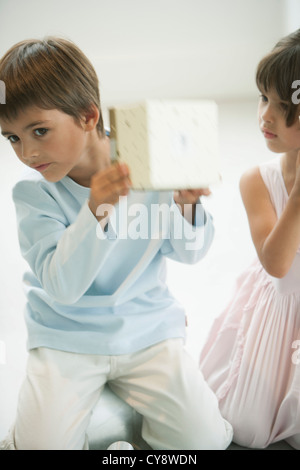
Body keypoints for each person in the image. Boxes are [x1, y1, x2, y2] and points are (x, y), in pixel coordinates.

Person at [0, 37, 232, 450]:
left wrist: (186, 206)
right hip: (65, 337)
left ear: (89, 116)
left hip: (146, 329)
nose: (27, 152)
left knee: (205, 441)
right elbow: (62, 286)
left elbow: (189, 253)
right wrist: (98, 209)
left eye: (39, 130)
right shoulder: (33, 195)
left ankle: (116, 415)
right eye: (12, 138)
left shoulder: (145, 161)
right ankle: (109, 415)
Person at [199, 29, 300, 449]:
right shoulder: (258, 180)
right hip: (278, 312)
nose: (265, 117)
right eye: (263, 99)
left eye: (283, 106)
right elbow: (276, 264)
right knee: (246, 427)